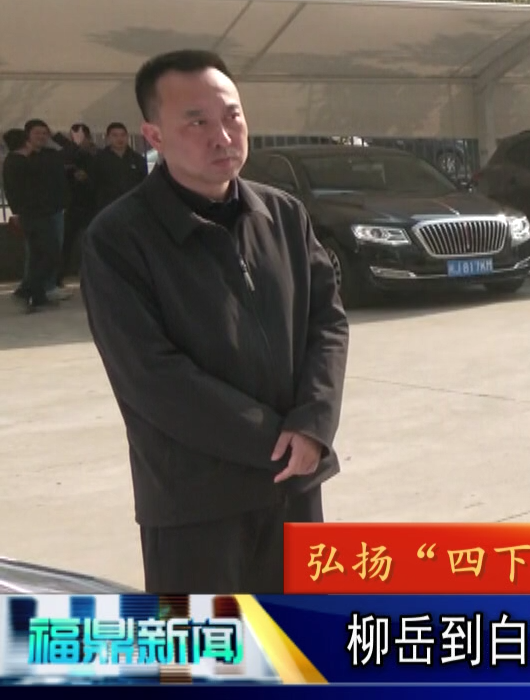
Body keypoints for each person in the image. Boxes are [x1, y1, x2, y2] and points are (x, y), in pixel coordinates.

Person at [80, 49, 350, 594]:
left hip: (294, 488)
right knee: (202, 645)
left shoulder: (283, 216)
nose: (222, 137)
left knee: (297, 640)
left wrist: (313, 423)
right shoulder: (119, 238)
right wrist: (276, 441)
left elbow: (327, 322)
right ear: (154, 136)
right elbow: (151, 375)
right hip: (195, 503)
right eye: (197, 122)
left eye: (232, 116)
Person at [5, 120, 69, 311]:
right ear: (26, 140)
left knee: (40, 255)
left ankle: (37, 295)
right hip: (34, 215)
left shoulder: (30, 159)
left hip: (41, 212)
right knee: (47, 253)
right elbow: (15, 190)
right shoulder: (19, 162)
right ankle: (26, 290)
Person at [60, 121, 99, 283]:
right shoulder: (68, 153)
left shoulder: (96, 154)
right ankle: (59, 275)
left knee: (91, 241)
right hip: (73, 204)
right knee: (66, 243)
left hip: (92, 204)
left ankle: (92, 273)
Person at [90, 121, 151, 208]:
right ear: (108, 138)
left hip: (133, 205)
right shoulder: (99, 159)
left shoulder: (138, 159)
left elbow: (143, 184)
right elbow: (93, 185)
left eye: (123, 135)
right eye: (115, 135)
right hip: (107, 206)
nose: (120, 139)